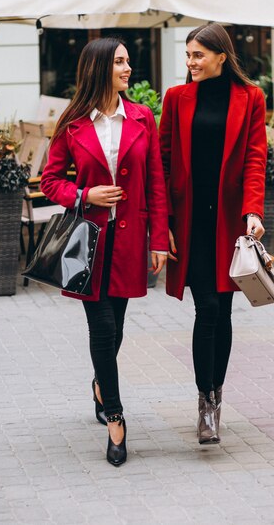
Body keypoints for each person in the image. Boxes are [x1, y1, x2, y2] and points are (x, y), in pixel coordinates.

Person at [41, 37, 168, 466]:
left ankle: (100, 385)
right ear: (98, 68)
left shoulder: (142, 117)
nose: (128, 68)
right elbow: (50, 181)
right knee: (101, 328)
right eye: (119, 62)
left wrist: (158, 240)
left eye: (128, 61)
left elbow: (156, 184)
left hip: (131, 240)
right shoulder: (73, 122)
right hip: (87, 243)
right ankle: (116, 417)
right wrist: (85, 194)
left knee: (117, 327)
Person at [159, 23, 266, 444]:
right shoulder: (177, 98)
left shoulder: (251, 97)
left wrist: (253, 209)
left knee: (223, 310)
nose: (191, 63)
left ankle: (216, 395)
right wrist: (163, 220)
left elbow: (256, 157)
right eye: (188, 56)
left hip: (228, 221)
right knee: (207, 307)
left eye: (198, 55)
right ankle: (206, 401)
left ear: (222, 55)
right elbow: (163, 162)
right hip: (191, 222)